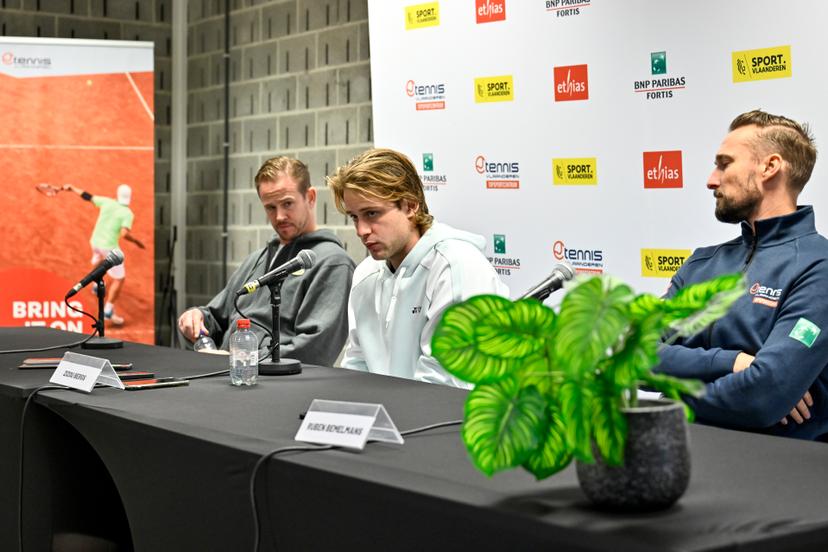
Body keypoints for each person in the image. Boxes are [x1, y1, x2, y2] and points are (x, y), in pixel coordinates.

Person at [656, 109, 828, 440]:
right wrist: (733, 362)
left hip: (777, 478)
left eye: (724, 163)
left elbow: (764, 395)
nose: (711, 179)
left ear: (770, 167)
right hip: (682, 461)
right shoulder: (702, 263)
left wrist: (668, 397)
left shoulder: (818, 266)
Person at [327, 148, 509, 387]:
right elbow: (357, 366)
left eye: (372, 213)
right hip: (395, 418)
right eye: (354, 217)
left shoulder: (456, 265)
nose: (362, 230)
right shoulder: (365, 274)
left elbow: (446, 383)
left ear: (411, 205)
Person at [177, 157, 354, 366]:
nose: (279, 216)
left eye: (287, 203)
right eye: (270, 207)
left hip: (277, 387)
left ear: (310, 197)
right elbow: (217, 316)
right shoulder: (257, 260)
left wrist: (242, 360)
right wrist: (197, 318)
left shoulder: (332, 263)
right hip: (229, 376)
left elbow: (315, 350)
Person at [62, 183, 145, 326]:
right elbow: (124, 234)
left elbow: (87, 196)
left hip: (95, 242)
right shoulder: (127, 213)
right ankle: (108, 309)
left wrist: (72, 188)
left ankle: (96, 284)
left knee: (99, 260)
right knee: (119, 279)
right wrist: (137, 242)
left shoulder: (107, 202)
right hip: (109, 247)